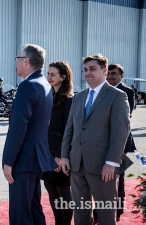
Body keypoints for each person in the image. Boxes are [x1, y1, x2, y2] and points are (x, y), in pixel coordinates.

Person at [61, 53, 132, 225]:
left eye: (92, 69)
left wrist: (112, 162)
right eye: (85, 70)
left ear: (104, 70)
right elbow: (70, 129)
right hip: (76, 164)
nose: (87, 73)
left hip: (103, 166)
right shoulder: (78, 97)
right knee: (81, 212)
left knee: (106, 213)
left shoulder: (117, 96)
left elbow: (120, 131)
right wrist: (64, 155)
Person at [2, 44, 57, 225]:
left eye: (18, 58)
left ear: (26, 61)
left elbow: (18, 128)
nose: (15, 62)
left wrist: (9, 161)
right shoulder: (44, 84)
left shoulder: (28, 86)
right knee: (33, 209)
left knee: (21, 214)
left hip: (23, 159)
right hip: (35, 158)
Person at [41, 61, 73, 225]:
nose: (49, 77)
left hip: (60, 153)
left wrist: (60, 156)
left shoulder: (69, 100)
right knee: (50, 187)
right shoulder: (48, 96)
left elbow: (69, 130)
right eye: (48, 74)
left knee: (62, 190)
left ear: (63, 77)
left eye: (53, 74)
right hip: (47, 151)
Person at [106, 63, 136, 221]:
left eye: (114, 73)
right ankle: (102, 207)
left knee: (118, 176)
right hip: (102, 140)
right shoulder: (103, 90)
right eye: (108, 73)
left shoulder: (127, 91)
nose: (110, 76)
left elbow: (126, 117)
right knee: (103, 177)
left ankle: (117, 208)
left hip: (121, 141)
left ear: (121, 75)